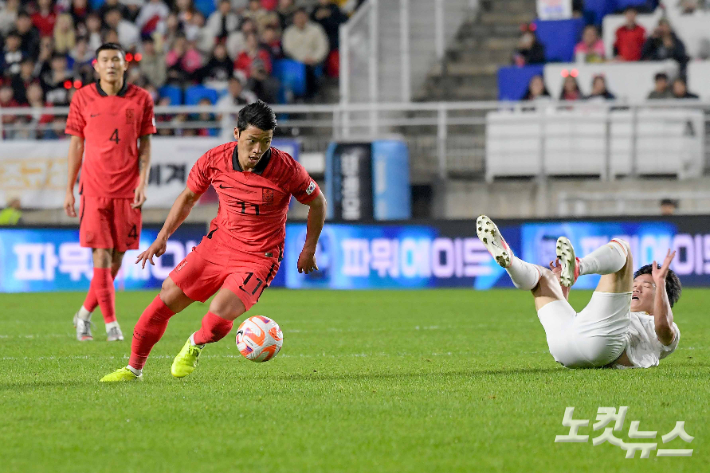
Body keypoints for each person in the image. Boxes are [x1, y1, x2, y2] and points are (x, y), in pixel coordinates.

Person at [100, 101, 327, 382]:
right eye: (252, 141)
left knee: (218, 317)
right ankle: (133, 370)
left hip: (259, 257)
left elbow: (317, 203)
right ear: (236, 134)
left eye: (265, 142)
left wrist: (308, 249)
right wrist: (162, 238)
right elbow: (188, 198)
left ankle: (195, 343)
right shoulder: (214, 160)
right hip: (217, 246)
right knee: (165, 298)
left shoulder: (287, 169)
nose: (258, 149)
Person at [476, 215, 682, 369]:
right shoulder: (616, 314)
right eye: (635, 282)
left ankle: (578, 267)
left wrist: (661, 281)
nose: (636, 287)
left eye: (647, 286)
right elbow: (567, 317)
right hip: (564, 343)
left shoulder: (663, 327)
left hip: (601, 347)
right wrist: (563, 287)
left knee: (624, 249)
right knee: (544, 278)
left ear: (663, 297)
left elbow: (663, 328)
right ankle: (511, 262)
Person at [64, 43, 156, 342]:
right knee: (100, 255)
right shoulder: (82, 97)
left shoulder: (141, 99)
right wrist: (69, 188)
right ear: (96, 66)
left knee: (115, 261)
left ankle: (82, 315)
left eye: (116, 59)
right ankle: (111, 325)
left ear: (125, 65)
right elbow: (76, 144)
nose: (111, 64)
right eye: (105, 60)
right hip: (93, 188)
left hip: (128, 191)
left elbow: (145, 146)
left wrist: (143, 182)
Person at [283, 8, 329, 98]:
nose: (300, 20)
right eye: (298, 17)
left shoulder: (316, 29)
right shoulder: (289, 32)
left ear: (306, 17)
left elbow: (322, 47)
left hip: (314, 61)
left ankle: (311, 96)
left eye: (302, 17)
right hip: (296, 62)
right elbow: (288, 49)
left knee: (311, 70)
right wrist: (302, 59)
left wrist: (315, 58)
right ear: (294, 19)